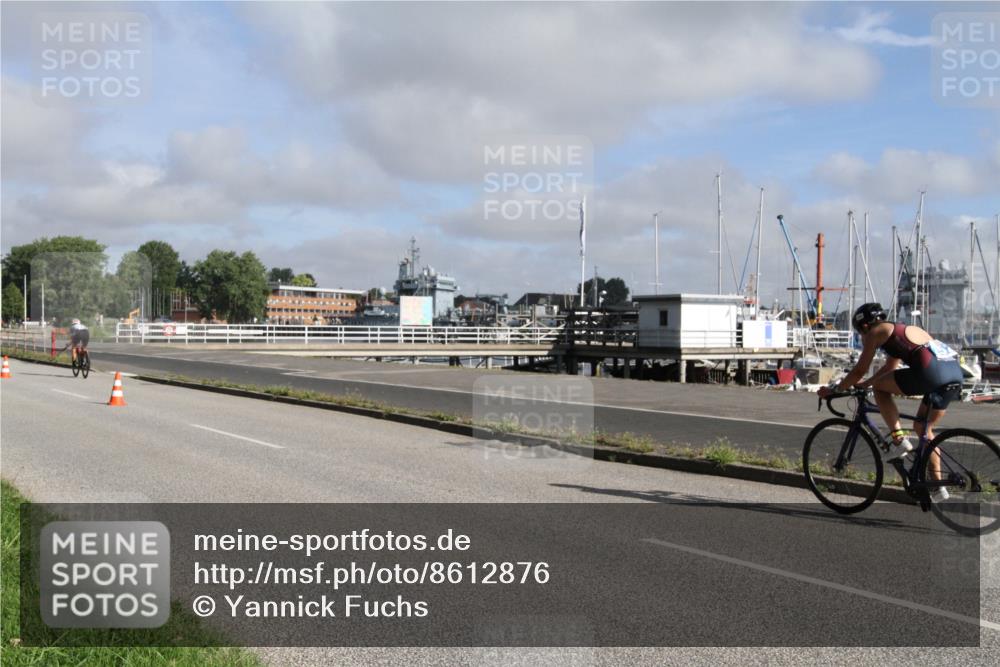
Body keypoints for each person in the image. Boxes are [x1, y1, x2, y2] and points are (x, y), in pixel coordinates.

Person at [818, 303, 963, 502]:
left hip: (931, 373)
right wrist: (865, 384)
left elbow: (860, 369)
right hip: (953, 373)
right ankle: (937, 486)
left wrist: (836, 390)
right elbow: (889, 367)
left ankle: (898, 440)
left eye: (860, 333)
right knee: (924, 428)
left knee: (880, 388)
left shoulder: (875, 332)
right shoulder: (897, 331)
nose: (862, 338)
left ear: (864, 326)